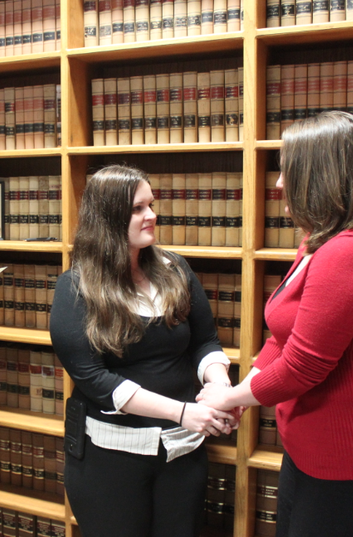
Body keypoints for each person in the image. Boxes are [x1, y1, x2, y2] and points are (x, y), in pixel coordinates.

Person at [197, 111, 353, 537]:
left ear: (319, 176)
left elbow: (303, 365)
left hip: (350, 465)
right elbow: (284, 335)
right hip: (310, 452)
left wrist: (227, 398)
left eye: (287, 170)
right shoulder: (319, 242)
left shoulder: (350, 253)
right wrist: (241, 393)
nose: (278, 184)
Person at [49, 165, 238, 537]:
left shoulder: (175, 269)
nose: (151, 215)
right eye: (138, 209)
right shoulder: (75, 288)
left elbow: (204, 341)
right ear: (108, 217)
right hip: (109, 460)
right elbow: (94, 379)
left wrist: (220, 389)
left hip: (182, 452)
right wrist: (181, 412)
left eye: (151, 205)